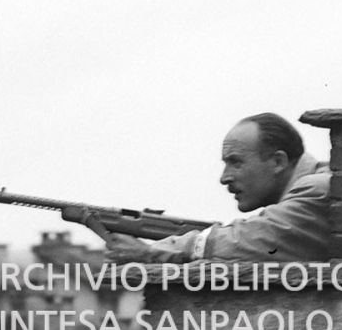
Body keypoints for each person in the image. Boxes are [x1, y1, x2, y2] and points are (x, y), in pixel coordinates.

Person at [101, 112, 330, 262]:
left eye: (235, 162)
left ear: (278, 161)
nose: (224, 178)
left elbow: (252, 238)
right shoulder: (319, 184)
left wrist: (151, 253)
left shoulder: (318, 189)